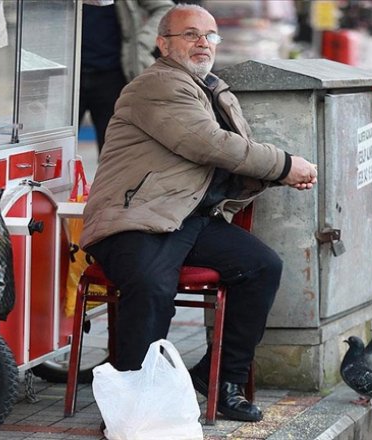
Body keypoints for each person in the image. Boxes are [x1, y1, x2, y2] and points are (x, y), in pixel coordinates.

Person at [79, 4, 318, 422]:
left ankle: (218, 381)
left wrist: (276, 173)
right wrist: (284, 165)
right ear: (163, 43)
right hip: (135, 218)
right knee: (152, 286)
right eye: (190, 34)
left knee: (261, 266)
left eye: (209, 35)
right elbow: (210, 144)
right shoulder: (155, 85)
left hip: (185, 217)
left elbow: (227, 151)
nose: (203, 42)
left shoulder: (212, 87)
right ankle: (134, 402)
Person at [79, 0, 173, 152]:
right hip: (66, 76)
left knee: (113, 151)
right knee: (51, 150)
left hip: (113, 75)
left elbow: (165, 8)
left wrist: (142, 42)